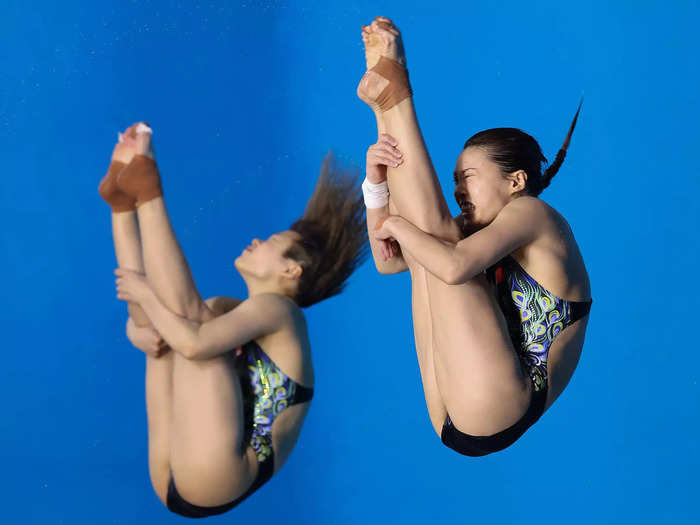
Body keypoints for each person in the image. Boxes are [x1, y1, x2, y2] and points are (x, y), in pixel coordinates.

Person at [99, 123, 367, 517]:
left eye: (271, 244)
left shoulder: (281, 311)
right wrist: (136, 328)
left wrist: (144, 300)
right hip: (181, 471)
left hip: (220, 472)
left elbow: (193, 343)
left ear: (291, 272)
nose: (257, 241)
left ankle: (147, 192)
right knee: (183, 322)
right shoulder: (234, 311)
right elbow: (168, 329)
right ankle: (123, 206)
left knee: (193, 330)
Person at [357, 17, 592, 457]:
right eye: (455, 182)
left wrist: (393, 222)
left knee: (438, 244)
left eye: (466, 178)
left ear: (516, 180)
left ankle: (395, 98)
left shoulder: (533, 214)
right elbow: (390, 261)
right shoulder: (488, 229)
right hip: (458, 410)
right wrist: (376, 186)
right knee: (430, 244)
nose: (458, 192)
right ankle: (385, 109)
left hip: (503, 399)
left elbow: (454, 265)